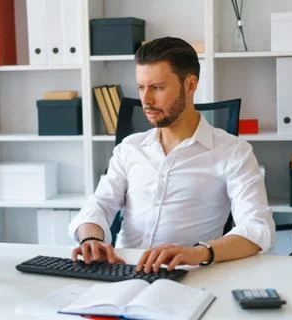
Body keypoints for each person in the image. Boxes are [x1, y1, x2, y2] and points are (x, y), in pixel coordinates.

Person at [69, 36, 275, 273]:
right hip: (123, 272)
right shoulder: (130, 148)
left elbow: (258, 228)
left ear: (190, 85)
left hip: (186, 276)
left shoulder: (232, 152)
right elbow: (100, 205)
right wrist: (90, 240)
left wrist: (200, 252)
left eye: (157, 88)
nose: (145, 100)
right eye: (141, 88)